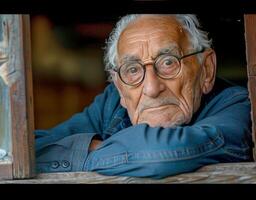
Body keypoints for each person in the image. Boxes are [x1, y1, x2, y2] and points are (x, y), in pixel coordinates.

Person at [34, 14, 253, 179]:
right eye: (133, 69)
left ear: (206, 70)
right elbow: (31, 148)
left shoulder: (239, 106)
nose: (151, 88)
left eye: (168, 63)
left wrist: (90, 150)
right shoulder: (113, 104)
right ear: (119, 87)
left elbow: (159, 154)